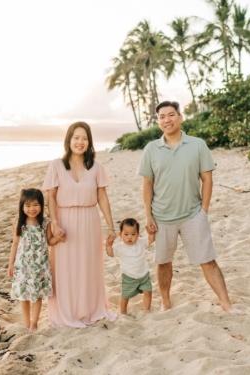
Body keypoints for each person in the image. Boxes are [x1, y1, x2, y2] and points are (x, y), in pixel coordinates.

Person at [138, 100, 233, 312]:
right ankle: (165, 301)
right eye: (162, 117)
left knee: (208, 260)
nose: (167, 120)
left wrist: (204, 211)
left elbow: (207, 179)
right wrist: (148, 216)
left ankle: (226, 303)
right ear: (158, 121)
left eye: (171, 115)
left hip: (192, 214)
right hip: (162, 216)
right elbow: (147, 185)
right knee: (163, 262)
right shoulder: (151, 149)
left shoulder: (198, 145)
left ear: (180, 117)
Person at [42, 121, 117, 327]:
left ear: (89, 142)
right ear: (69, 140)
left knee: (88, 266)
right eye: (76, 138)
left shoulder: (96, 167)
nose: (80, 142)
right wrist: (54, 222)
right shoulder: (56, 165)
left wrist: (111, 226)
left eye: (84, 138)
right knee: (65, 269)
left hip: (89, 220)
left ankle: (89, 309)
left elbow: (102, 197)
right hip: (64, 221)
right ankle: (68, 311)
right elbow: (51, 196)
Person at [7, 188, 64, 332]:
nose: (32, 209)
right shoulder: (20, 223)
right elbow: (15, 244)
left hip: (40, 265)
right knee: (24, 296)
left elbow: (49, 241)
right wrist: (10, 264)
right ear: (22, 207)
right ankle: (27, 323)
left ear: (42, 205)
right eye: (27, 205)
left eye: (35, 205)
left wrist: (58, 238)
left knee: (37, 295)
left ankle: (34, 323)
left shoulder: (45, 223)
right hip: (22, 266)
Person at [106, 218, 154, 315]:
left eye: (133, 234)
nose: (130, 237)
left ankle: (147, 310)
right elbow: (110, 254)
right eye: (126, 234)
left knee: (148, 291)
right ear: (121, 235)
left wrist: (151, 234)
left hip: (143, 274)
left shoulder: (141, 242)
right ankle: (123, 312)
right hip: (129, 276)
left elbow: (150, 241)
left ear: (138, 234)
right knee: (125, 296)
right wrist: (108, 245)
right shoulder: (120, 247)